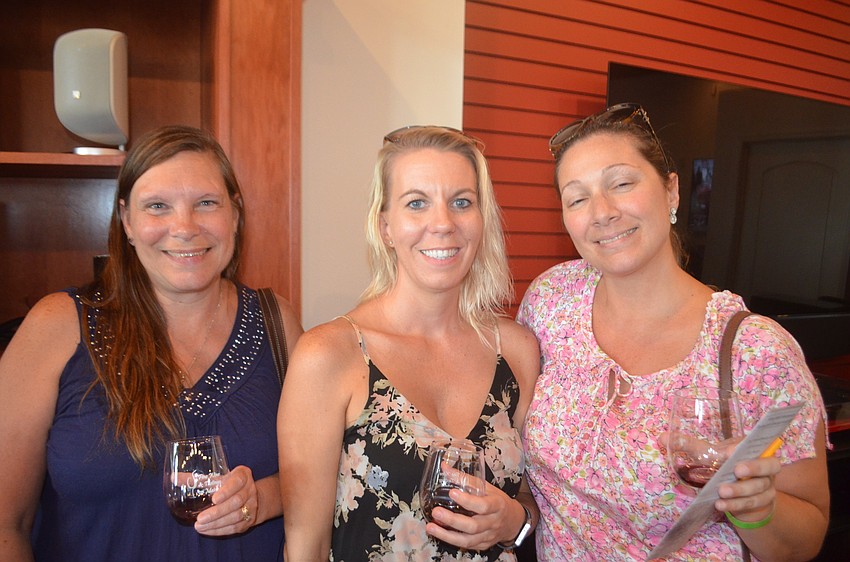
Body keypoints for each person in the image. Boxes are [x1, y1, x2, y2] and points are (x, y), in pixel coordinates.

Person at [516, 103, 831, 561]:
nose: (601, 212)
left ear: (672, 190)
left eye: (621, 183)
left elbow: (805, 538)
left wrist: (756, 509)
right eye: (577, 197)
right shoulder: (551, 301)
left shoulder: (756, 352)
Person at [0, 125, 302, 561]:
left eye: (206, 203)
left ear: (235, 214)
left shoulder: (278, 324)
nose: (184, 227)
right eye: (158, 206)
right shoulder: (56, 325)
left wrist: (263, 497)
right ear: (126, 221)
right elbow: (7, 523)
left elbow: (327, 475)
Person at [278, 126, 540, 560]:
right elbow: (305, 546)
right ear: (385, 227)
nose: (443, 223)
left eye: (462, 202)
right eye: (417, 203)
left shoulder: (515, 351)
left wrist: (515, 521)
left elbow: (532, 499)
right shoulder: (330, 355)